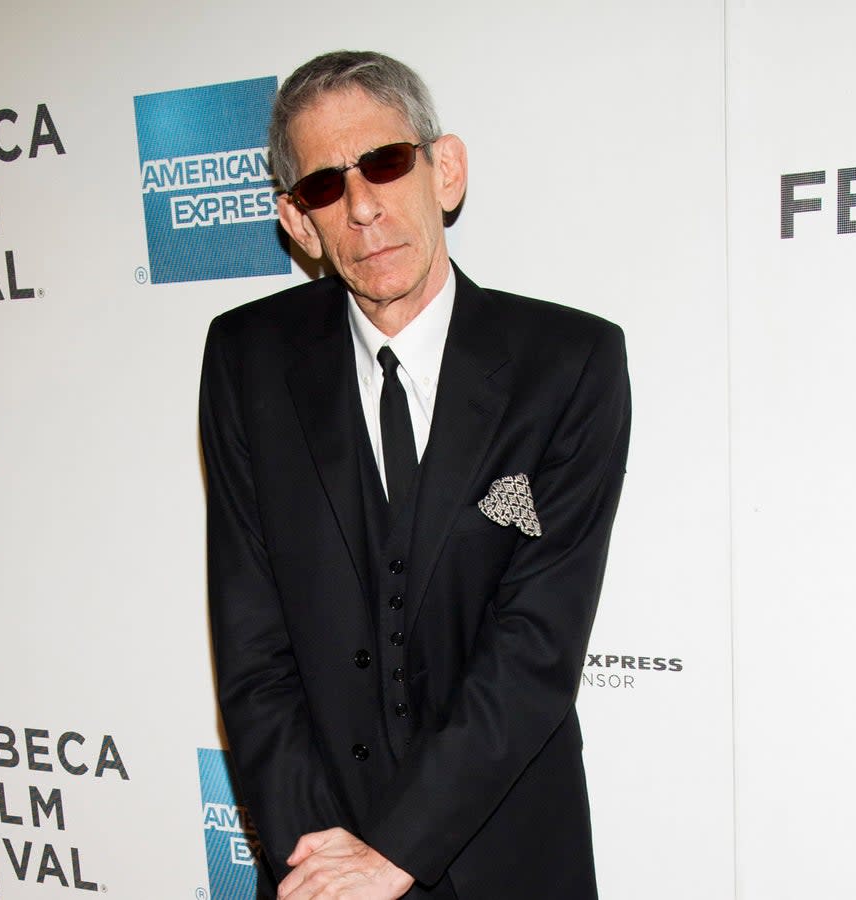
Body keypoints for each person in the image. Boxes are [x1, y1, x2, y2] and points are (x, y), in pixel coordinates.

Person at [200, 50, 631, 900]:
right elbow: (252, 646)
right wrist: (314, 862)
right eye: (325, 186)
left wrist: (394, 850)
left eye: (387, 164)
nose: (362, 207)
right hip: (319, 856)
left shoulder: (569, 364)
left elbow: (537, 645)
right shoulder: (247, 359)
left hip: (507, 852)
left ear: (446, 170)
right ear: (296, 220)